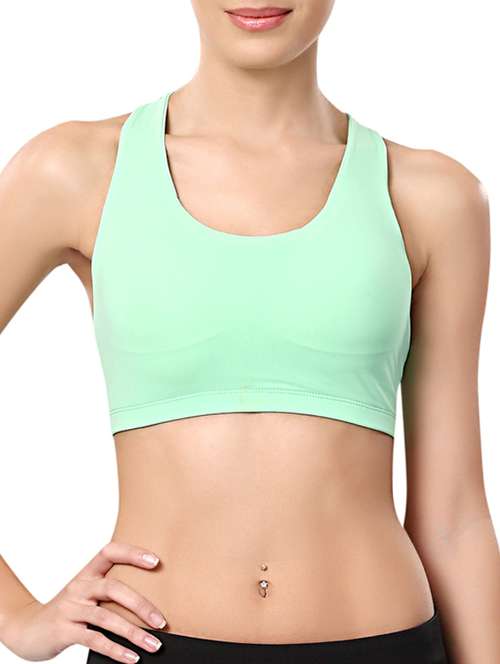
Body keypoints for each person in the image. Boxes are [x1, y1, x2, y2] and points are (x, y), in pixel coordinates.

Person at [0, 2, 498, 663]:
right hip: (152, 647)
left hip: (385, 645)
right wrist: (16, 618)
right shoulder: (75, 171)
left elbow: (454, 515)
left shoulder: (433, 196)